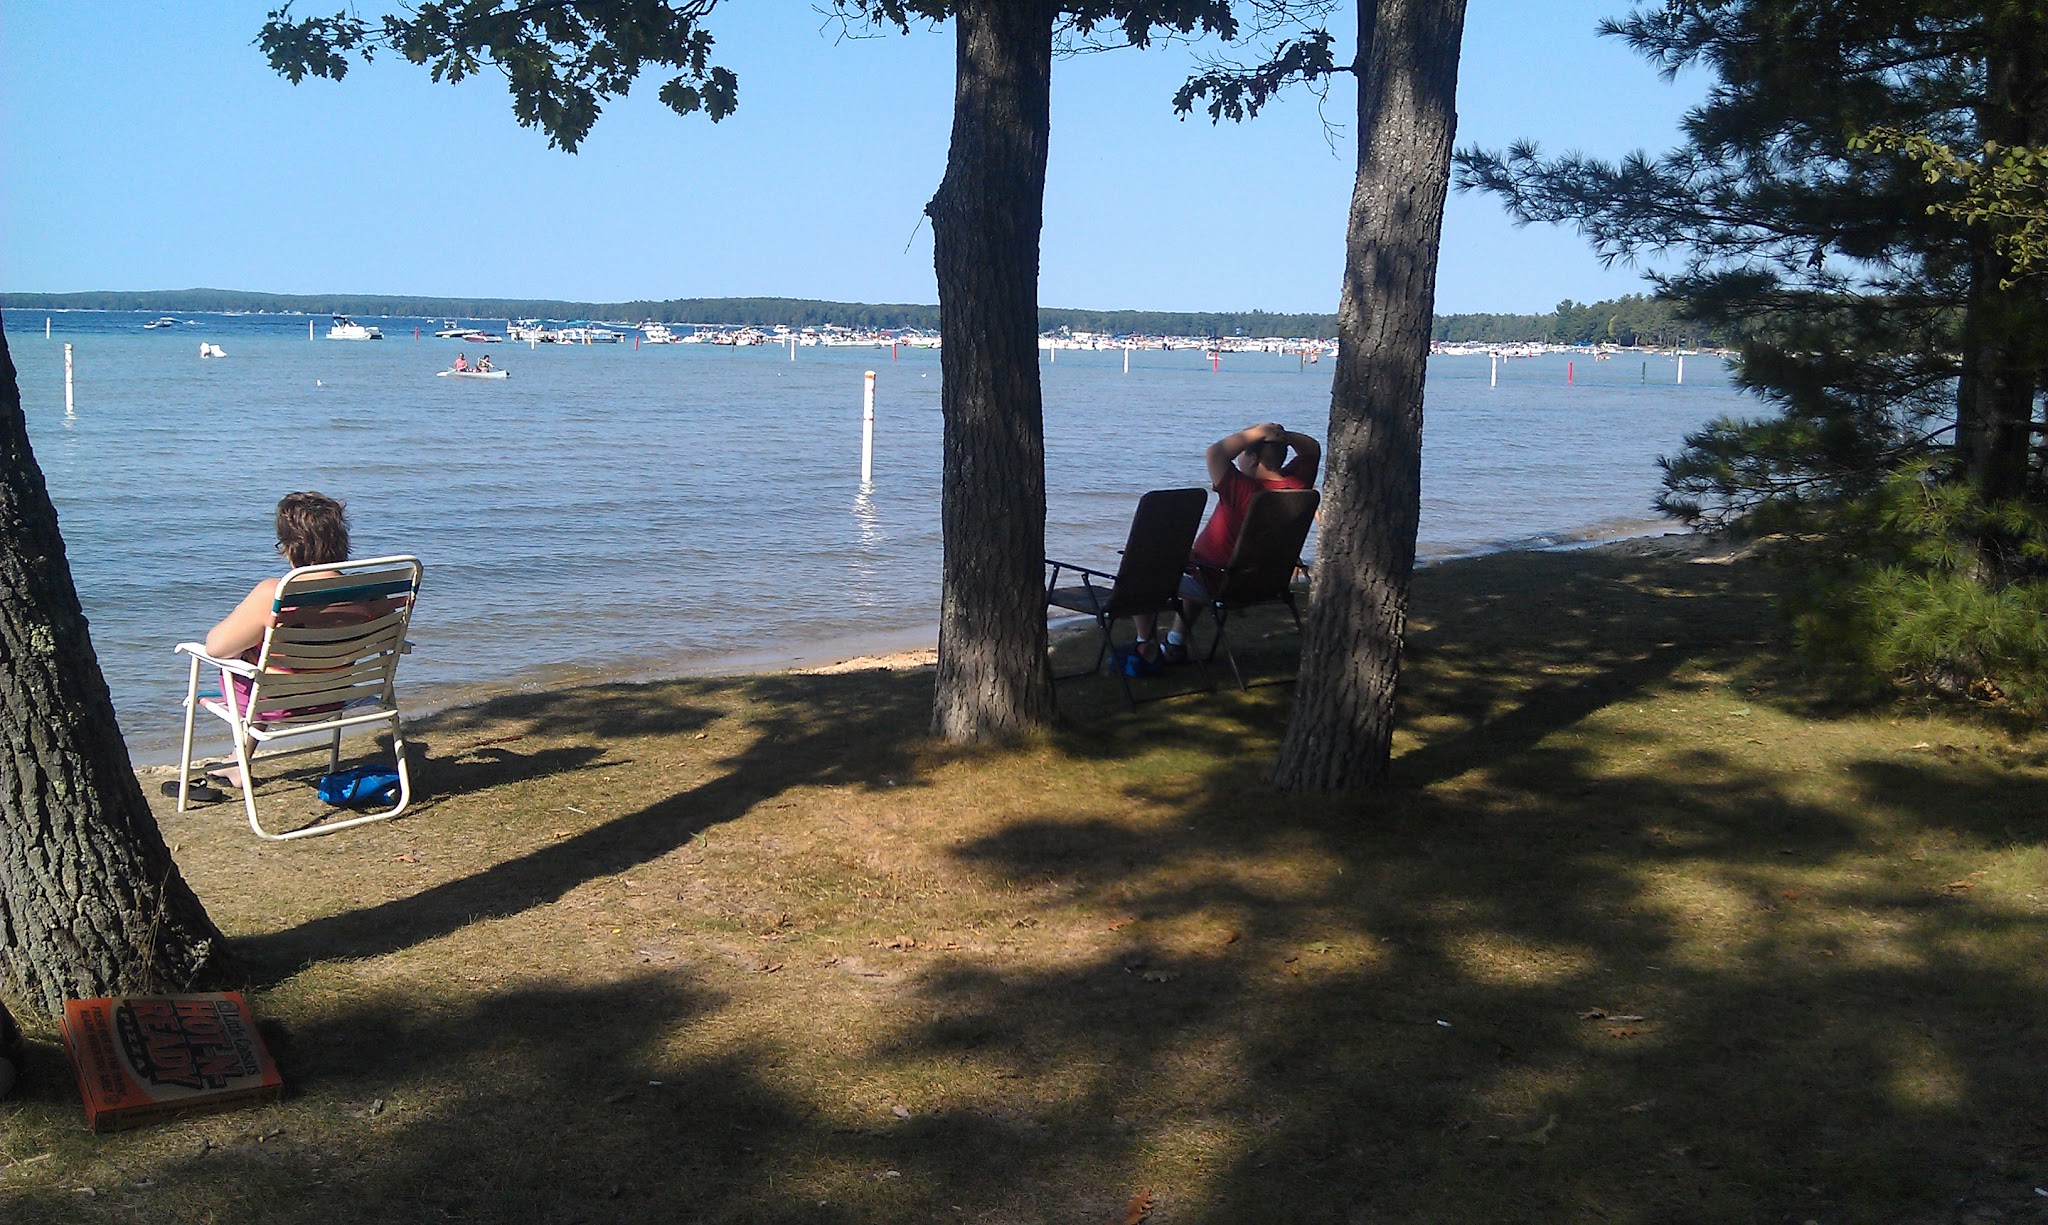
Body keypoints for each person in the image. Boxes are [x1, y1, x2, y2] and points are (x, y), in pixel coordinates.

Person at [194, 492, 351, 792]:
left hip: (277, 701)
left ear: (290, 545)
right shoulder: (365, 591)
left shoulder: (275, 593)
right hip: (332, 696)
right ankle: (236, 764)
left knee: (254, 662)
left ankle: (238, 762)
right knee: (273, 659)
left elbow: (216, 647)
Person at [1140, 421, 1320, 663]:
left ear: (1253, 459)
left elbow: (1215, 453)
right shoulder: (1298, 484)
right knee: (1193, 562)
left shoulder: (1243, 489)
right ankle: (1175, 642)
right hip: (1264, 582)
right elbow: (1312, 448)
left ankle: (1144, 645)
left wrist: (1256, 433)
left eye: (1243, 455)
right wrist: (1282, 436)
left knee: (1145, 567)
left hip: (1219, 579)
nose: (1238, 461)